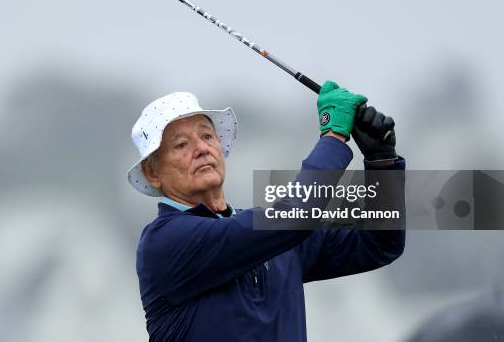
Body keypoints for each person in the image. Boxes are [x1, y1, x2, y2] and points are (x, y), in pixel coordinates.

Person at [128, 82, 405, 341]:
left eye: (207, 135)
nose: (201, 148)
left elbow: (378, 243)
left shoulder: (271, 236)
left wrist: (381, 162)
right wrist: (332, 137)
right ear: (153, 173)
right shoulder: (166, 241)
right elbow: (296, 215)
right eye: (181, 145)